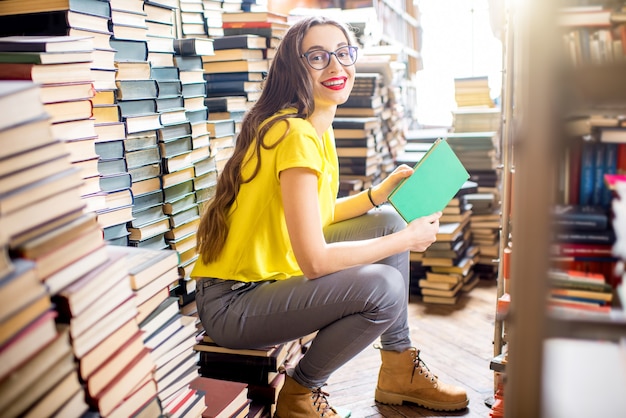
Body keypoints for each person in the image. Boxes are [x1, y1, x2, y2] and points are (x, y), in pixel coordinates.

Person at [192, 15, 469, 417]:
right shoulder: (296, 134)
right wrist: (408, 240)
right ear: (295, 68)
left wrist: (378, 194)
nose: (337, 67)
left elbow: (314, 217)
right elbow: (315, 260)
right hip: (233, 304)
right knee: (384, 286)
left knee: (388, 219)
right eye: (318, 57)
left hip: (263, 279)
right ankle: (301, 392)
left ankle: (397, 367)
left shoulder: (314, 125)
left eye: (343, 53)